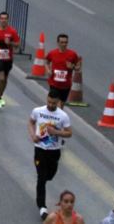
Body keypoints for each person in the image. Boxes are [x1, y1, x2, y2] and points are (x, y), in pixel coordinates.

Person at [28, 90, 73, 220]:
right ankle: (42, 207)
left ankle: (43, 180)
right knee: (41, 178)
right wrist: (33, 135)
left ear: (58, 102)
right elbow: (31, 122)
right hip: (40, 149)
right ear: (46, 99)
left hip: (54, 151)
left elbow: (69, 133)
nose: (51, 104)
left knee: (50, 175)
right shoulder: (38, 111)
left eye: (53, 103)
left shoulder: (63, 116)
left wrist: (56, 132)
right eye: (49, 101)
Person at [0, 12, 21, 109]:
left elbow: (17, 44)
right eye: (2, 18)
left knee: (5, 79)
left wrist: (10, 42)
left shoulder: (12, 31)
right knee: (1, 78)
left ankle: (0, 96)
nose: (3, 20)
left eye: (5, 18)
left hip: (8, 59)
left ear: (8, 20)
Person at [45, 34, 82, 107]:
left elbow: (78, 67)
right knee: (52, 103)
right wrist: (48, 70)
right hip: (54, 84)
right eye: (62, 42)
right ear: (58, 43)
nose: (64, 44)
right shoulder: (52, 53)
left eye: (66, 42)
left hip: (65, 85)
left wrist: (73, 67)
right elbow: (46, 61)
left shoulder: (72, 54)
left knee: (61, 105)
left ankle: (58, 117)